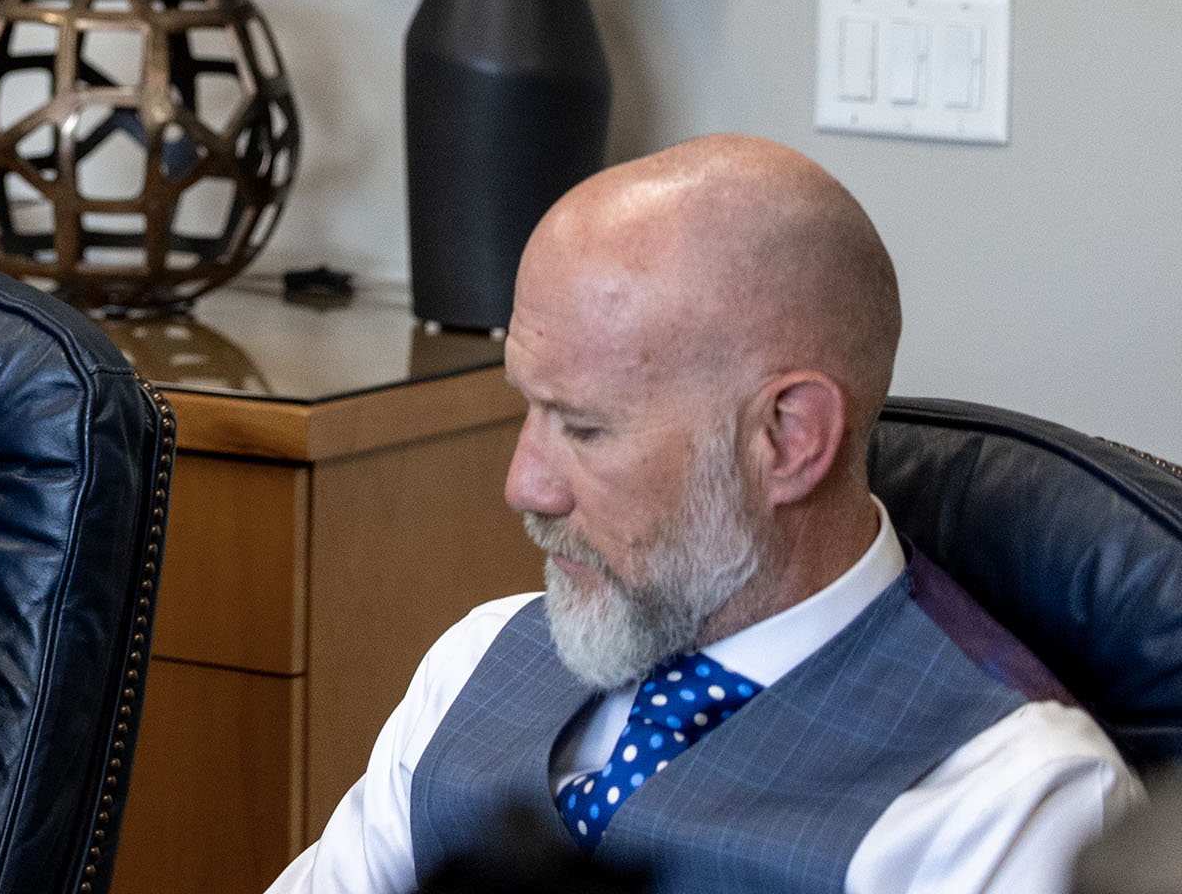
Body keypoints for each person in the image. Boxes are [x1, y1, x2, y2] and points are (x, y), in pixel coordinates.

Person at [271, 136, 1140, 894]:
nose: (526, 484)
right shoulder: (474, 664)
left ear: (787, 438)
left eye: (585, 428)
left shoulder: (1009, 808)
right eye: (527, 410)